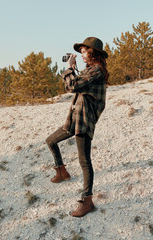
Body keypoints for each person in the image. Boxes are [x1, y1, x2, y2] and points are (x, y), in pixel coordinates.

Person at [45, 37, 109, 217]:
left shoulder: (97, 70)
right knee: (50, 141)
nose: (81, 55)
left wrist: (70, 68)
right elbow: (71, 87)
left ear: (93, 53)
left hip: (84, 120)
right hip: (74, 118)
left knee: (84, 161)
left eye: (83, 52)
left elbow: (73, 86)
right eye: (80, 52)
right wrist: (72, 70)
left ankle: (87, 201)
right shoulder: (90, 70)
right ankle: (61, 171)